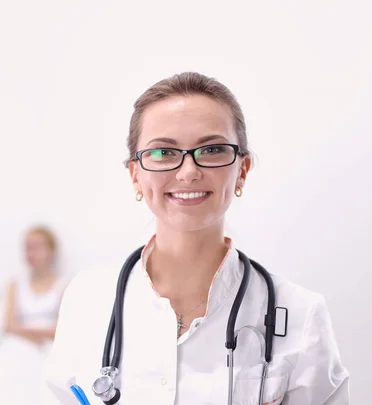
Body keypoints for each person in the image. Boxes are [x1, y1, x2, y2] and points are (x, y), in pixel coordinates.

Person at [43, 72, 350, 404]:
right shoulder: (87, 300)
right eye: (163, 152)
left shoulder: (300, 313)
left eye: (213, 149)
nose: (188, 171)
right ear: (135, 175)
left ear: (242, 171)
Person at [4, 226, 65, 346]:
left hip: (50, 349)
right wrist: (39, 334)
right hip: (17, 346)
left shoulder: (63, 286)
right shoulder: (15, 286)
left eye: (37, 247)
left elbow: (62, 330)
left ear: (51, 251)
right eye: (28, 248)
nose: (31, 254)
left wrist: (24, 331)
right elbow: (8, 326)